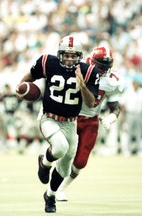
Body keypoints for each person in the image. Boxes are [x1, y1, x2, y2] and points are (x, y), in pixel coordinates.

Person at [16, 35, 100, 213]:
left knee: (65, 164)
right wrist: (20, 87)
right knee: (60, 147)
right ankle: (45, 163)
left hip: (71, 123)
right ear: (60, 54)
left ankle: (50, 195)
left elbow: (91, 103)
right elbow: (30, 76)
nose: (70, 59)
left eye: (73, 55)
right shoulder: (48, 62)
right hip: (49, 117)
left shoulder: (88, 72)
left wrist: (82, 85)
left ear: (79, 56)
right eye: (66, 55)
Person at [55, 45, 124, 201]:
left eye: (107, 65)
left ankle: (62, 188)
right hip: (71, 116)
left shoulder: (112, 80)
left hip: (91, 120)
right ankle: (53, 179)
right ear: (92, 62)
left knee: (80, 161)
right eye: (100, 65)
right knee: (64, 152)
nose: (104, 68)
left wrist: (110, 118)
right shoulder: (79, 68)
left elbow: (115, 108)